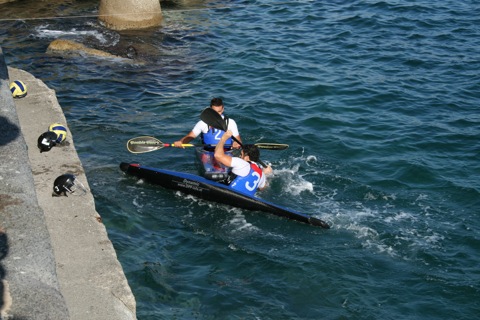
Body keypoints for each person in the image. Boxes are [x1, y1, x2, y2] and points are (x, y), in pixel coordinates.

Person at [214, 130, 273, 196]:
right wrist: (266, 174)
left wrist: (223, 138)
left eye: (241, 154)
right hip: (245, 202)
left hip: (227, 195)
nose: (239, 156)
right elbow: (263, 188)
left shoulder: (241, 163)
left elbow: (217, 155)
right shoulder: (261, 175)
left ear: (247, 156)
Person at [174, 97, 242, 149]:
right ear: (210, 110)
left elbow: (238, 140)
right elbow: (190, 136)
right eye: (215, 112)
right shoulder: (203, 123)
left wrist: (236, 143)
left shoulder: (231, 122)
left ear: (223, 109)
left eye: (219, 111)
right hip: (208, 152)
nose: (218, 115)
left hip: (226, 152)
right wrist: (182, 142)